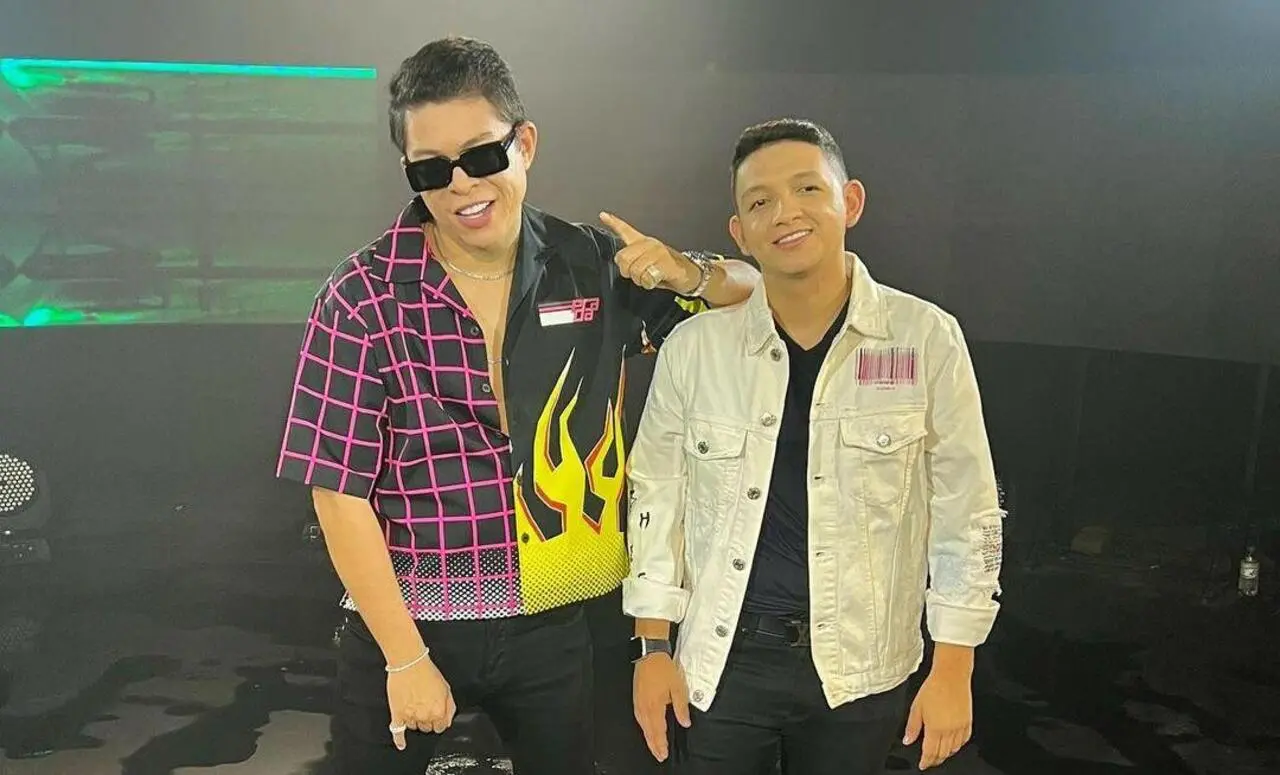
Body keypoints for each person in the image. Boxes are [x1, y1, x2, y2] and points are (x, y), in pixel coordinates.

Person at [274, 37, 758, 775]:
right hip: (412, 620)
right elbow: (337, 492)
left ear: (524, 144)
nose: (461, 185)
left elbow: (750, 298)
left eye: (482, 156)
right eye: (431, 169)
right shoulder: (359, 297)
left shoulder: (591, 264)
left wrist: (687, 272)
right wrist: (405, 658)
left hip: (563, 622)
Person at [622, 118, 1005, 774]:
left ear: (849, 202)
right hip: (721, 661)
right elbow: (657, 498)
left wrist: (954, 668)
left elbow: (966, 511)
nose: (785, 213)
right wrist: (652, 649)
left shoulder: (925, 339)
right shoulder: (695, 350)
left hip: (863, 667)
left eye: (807, 189)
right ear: (740, 232)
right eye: (760, 201)